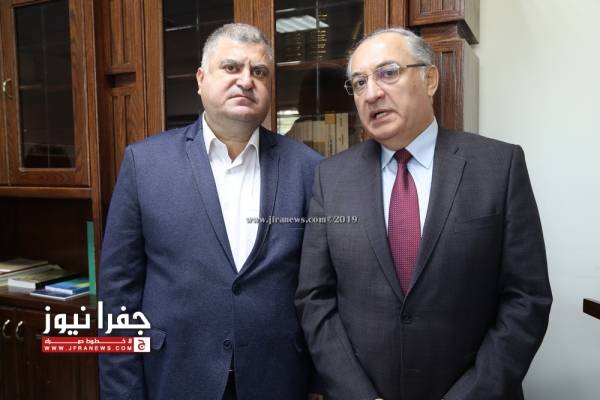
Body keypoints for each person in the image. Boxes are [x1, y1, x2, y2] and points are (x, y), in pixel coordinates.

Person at [295, 27, 552, 400]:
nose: (372, 93)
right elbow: (314, 298)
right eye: (360, 82)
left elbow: (526, 298)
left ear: (430, 79)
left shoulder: (499, 166)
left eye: (388, 73)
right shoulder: (330, 178)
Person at [99, 23, 322, 400]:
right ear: (201, 80)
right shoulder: (145, 163)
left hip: (278, 379)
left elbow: (319, 288)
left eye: (259, 72)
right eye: (231, 67)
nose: (246, 81)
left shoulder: (308, 168)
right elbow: (118, 292)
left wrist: (317, 384)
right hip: (174, 376)